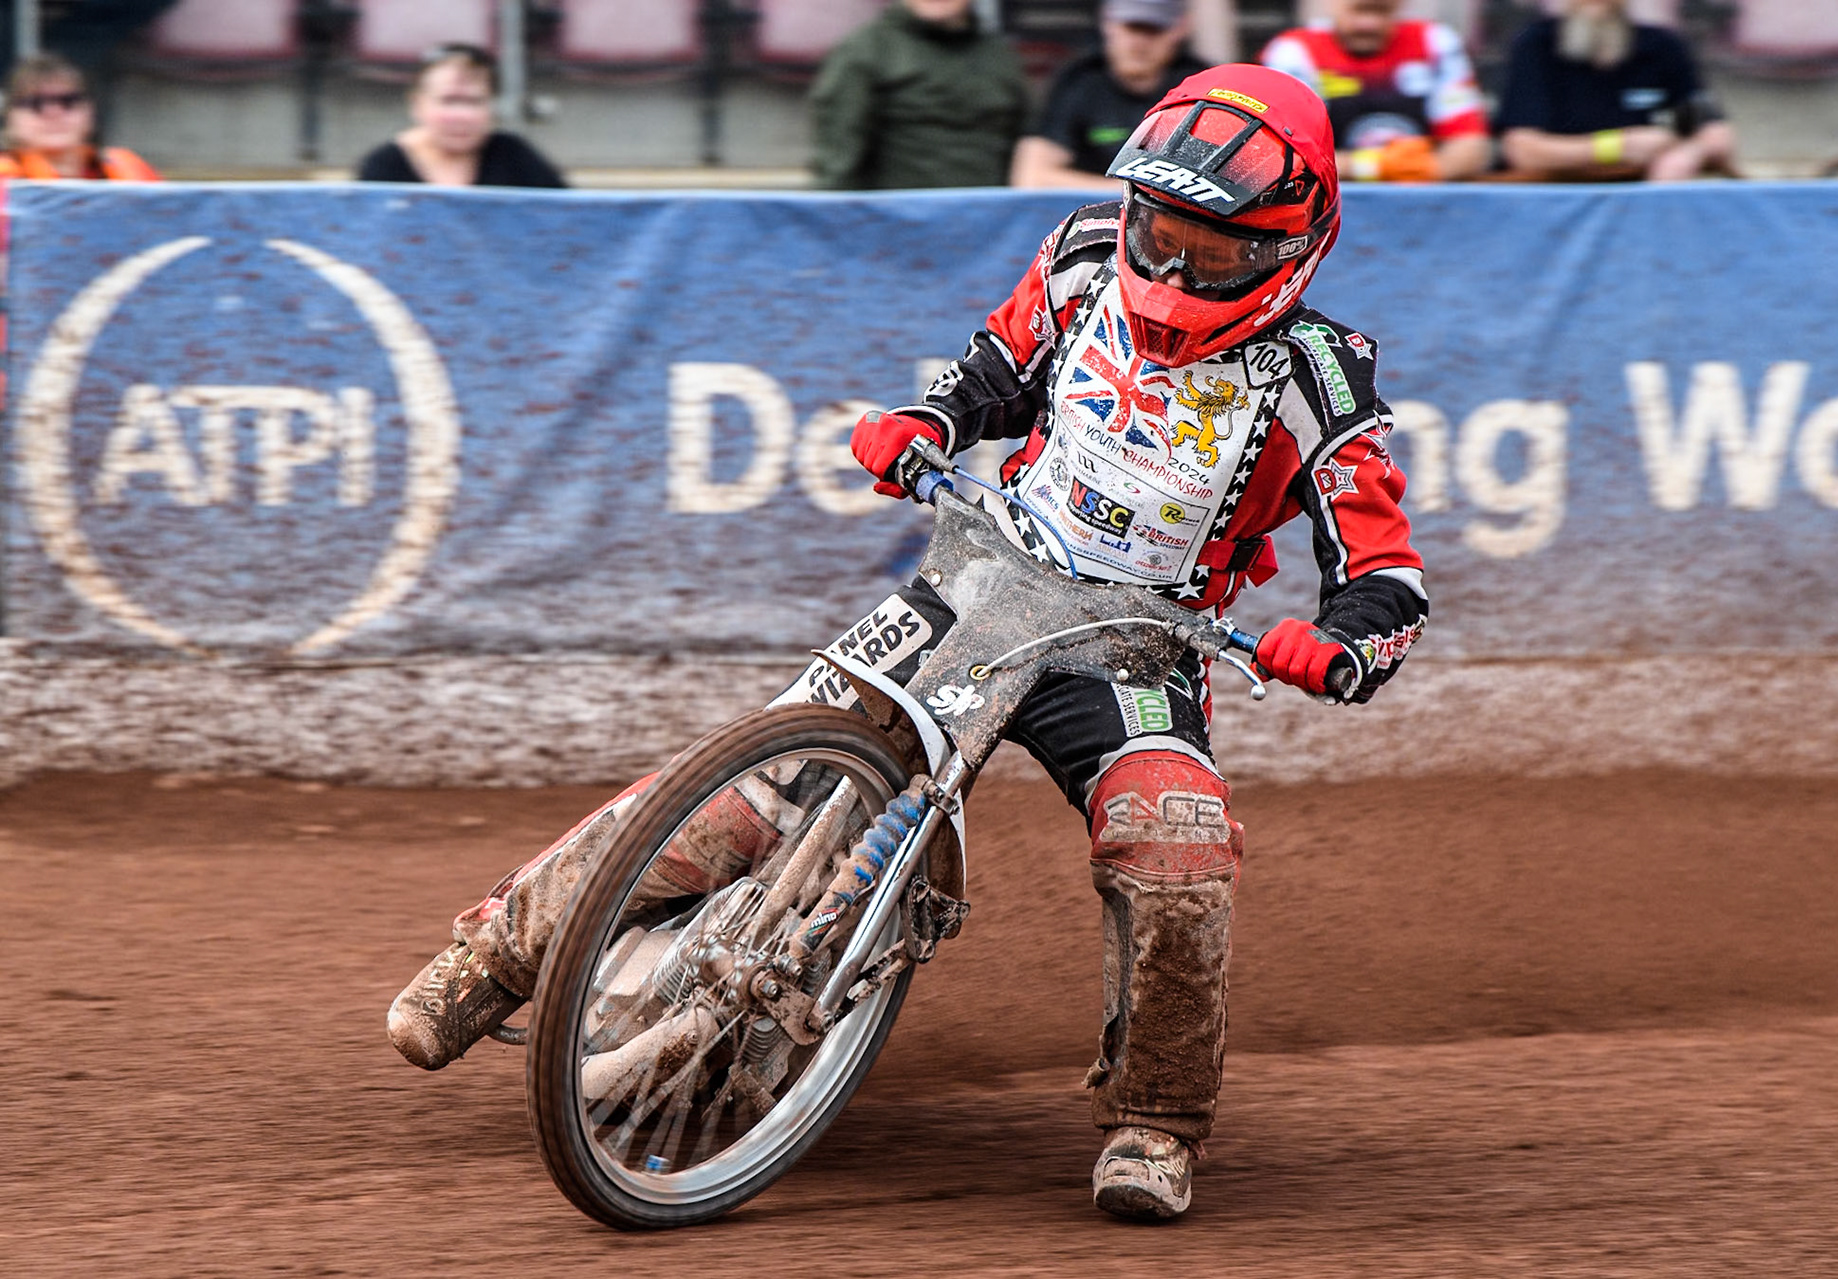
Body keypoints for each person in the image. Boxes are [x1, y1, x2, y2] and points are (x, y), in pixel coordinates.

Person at [388, 64, 1427, 1223]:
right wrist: (927, 420)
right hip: (984, 578)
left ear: (1291, 248)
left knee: (1177, 845)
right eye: (1162, 234)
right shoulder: (1083, 255)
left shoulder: (1323, 378)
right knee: (763, 775)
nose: (1176, 271)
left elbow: (1389, 578)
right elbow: (991, 374)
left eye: (1214, 251)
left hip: (1138, 645)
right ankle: (496, 954)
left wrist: (1342, 645)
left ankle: (1156, 1121)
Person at [1494, 0, 1737, 182]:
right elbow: (1522, 150)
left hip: (1642, 198)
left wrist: (1689, 153)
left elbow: (1716, 132)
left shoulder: (1662, 47)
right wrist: (1615, 147)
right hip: (1559, 199)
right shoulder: (1537, 45)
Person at [1260, 0, 1489, 183]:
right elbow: (1284, 157)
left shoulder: (1434, 42)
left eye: (1380, 11)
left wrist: (1428, 168)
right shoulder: (1295, 51)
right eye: (1359, 11)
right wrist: (1376, 166)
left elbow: (1472, 146)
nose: (1368, 26)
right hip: (1331, 198)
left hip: (1420, 192)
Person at [808, 0, 1027, 190]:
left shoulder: (999, 56)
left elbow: (1026, 146)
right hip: (896, 218)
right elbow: (837, 166)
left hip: (993, 217)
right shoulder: (866, 50)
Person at [1011, 0, 1207, 191]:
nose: (1139, 43)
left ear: (1180, 29)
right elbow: (1031, 177)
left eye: (1153, 31)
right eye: (1131, 28)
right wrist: (1132, 192)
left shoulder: (1200, 86)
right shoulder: (1079, 81)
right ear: (1107, 24)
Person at [356, 44, 566, 189]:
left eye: (474, 101)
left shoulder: (514, 155)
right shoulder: (384, 166)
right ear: (417, 105)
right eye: (448, 101)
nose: (462, 115)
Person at [0, 52, 157, 180]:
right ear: (9, 118)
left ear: (91, 111)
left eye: (68, 101)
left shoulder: (129, 169)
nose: (54, 112)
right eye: (35, 103)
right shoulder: (4, 177)